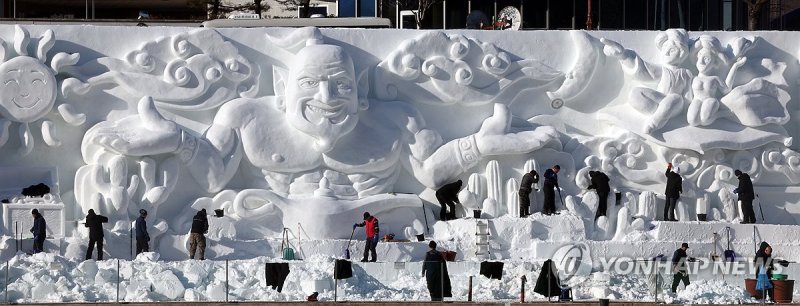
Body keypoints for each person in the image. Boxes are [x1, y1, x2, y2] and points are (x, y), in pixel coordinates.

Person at [88, 27, 558, 237]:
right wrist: (173, 137)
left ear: (360, 94)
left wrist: (488, 143)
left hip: (378, 227)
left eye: (341, 85)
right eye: (312, 84)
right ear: (282, 88)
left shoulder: (394, 121)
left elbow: (433, 172)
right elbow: (212, 176)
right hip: (268, 222)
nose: (328, 97)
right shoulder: (246, 116)